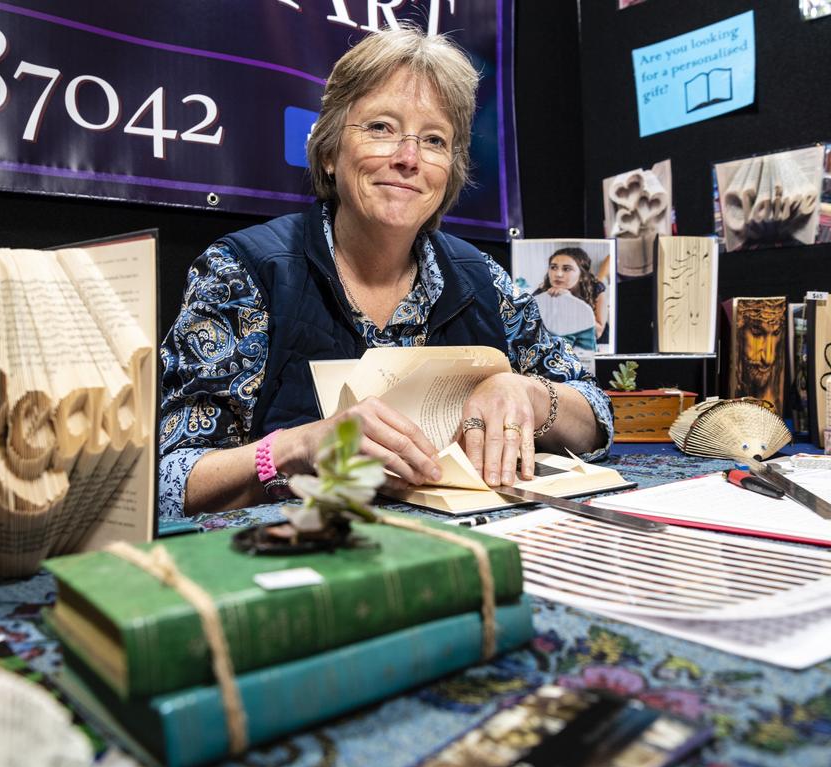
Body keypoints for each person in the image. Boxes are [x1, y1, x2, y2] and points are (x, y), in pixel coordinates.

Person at [158, 26, 613, 518]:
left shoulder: (485, 281)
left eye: (434, 140)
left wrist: (531, 393)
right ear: (330, 152)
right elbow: (168, 480)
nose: (408, 158)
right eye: (380, 128)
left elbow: (598, 418)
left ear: (450, 171)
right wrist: (293, 450)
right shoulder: (243, 274)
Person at [534, 247, 608, 343]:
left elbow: (597, 332)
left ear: (582, 275)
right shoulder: (542, 292)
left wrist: (569, 301)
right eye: (553, 267)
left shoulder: (596, 288)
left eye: (567, 269)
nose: (558, 274)